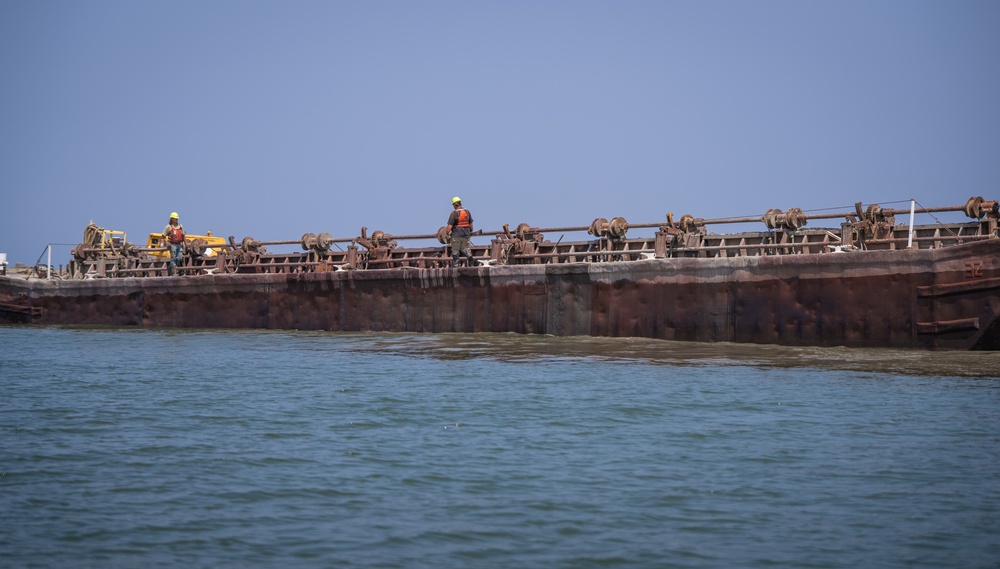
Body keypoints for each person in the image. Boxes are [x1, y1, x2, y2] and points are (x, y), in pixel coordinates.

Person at [446, 196, 477, 268]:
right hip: (466, 234)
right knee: (465, 248)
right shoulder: (467, 212)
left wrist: (447, 234)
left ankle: (456, 264)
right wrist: (470, 232)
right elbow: (471, 225)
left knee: (455, 249)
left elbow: (449, 227)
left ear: (455, 204)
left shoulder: (454, 214)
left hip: (456, 235)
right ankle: (470, 258)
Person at [162, 211, 185, 276]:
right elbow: (163, 236)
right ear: (172, 219)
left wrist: (185, 243)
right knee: (173, 258)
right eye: (175, 219)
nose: (176, 220)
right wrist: (166, 242)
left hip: (179, 244)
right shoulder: (168, 227)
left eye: (177, 219)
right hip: (172, 244)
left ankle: (171, 267)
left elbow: (183, 235)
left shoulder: (180, 226)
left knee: (179, 257)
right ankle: (173, 272)